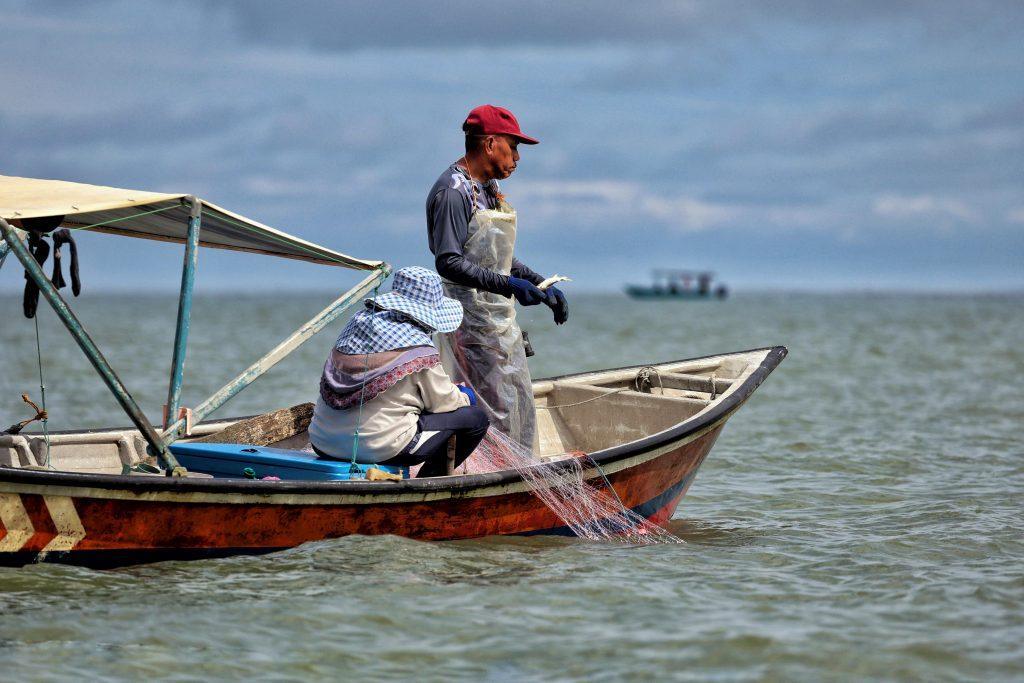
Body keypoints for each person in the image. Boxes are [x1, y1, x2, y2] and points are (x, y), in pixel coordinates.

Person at [426, 104, 569, 452]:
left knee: (519, 402)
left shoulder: (487, 188)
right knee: (493, 411)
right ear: (490, 144)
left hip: (497, 321)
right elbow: (448, 261)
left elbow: (496, 255)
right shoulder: (453, 191)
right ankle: (492, 482)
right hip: (469, 325)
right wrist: (508, 285)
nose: (518, 157)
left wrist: (537, 282)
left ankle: (520, 476)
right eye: (514, 146)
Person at [308, 266, 489, 478]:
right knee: (475, 419)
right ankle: (427, 483)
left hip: (322, 442)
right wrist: (465, 395)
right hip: (382, 448)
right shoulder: (418, 348)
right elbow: (443, 402)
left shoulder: (355, 328)